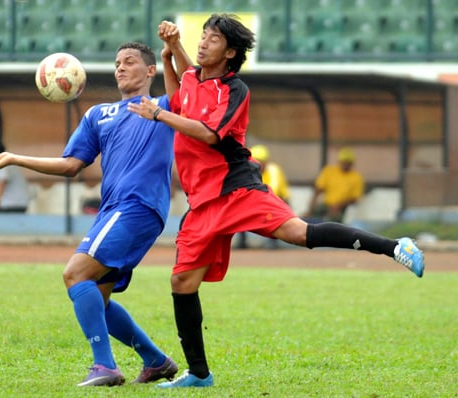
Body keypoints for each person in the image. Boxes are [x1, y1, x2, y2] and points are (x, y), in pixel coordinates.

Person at [127, 15, 425, 388]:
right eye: (202, 36)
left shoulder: (235, 90)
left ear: (231, 52)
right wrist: (171, 55)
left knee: (298, 232)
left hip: (235, 188)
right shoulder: (192, 78)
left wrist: (159, 112)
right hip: (201, 200)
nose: (203, 42)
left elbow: (209, 134)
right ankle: (199, 375)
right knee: (182, 281)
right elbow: (182, 98)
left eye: (213, 39)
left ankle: (397, 246)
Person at [0, 42, 178, 387]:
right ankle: (156, 361)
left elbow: (182, 92)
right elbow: (71, 165)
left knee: (74, 274)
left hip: (137, 205)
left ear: (150, 71)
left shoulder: (162, 107)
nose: (121, 68)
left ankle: (105, 366)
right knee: (96, 295)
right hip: (114, 209)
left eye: (129, 62)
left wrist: (170, 53)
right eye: (116, 63)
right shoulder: (99, 114)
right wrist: (15, 158)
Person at [236, 144, 291, 249]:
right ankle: (242, 241)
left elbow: (273, 191)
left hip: (274, 202)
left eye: (259, 160)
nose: (256, 162)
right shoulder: (246, 170)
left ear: (266, 161)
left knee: (272, 212)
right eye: (253, 159)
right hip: (253, 202)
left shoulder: (273, 170)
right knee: (239, 209)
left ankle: (273, 241)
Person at [305, 146, 364, 223]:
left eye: (348, 162)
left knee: (330, 222)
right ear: (339, 161)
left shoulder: (356, 177)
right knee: (306, 220)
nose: (345, 164)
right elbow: (318, 190)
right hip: (326, 205)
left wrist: (339, 205)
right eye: (343, 161)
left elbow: (355, 198)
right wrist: (310, 209)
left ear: (352, 163)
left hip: (342, 207)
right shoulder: (329, 171)